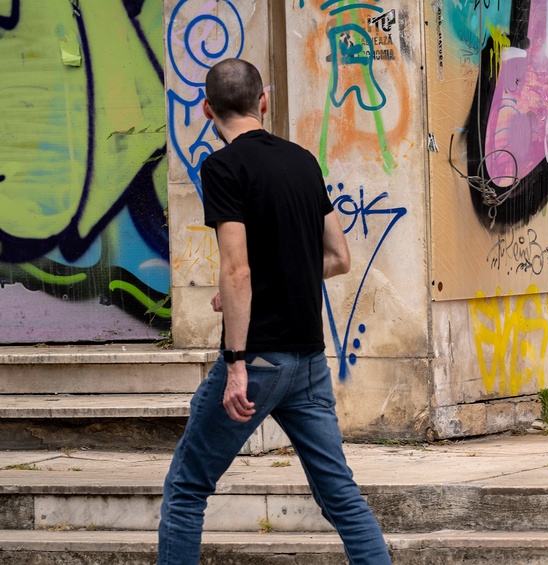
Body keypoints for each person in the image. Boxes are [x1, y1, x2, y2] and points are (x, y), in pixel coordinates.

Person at [158, 58, 391, 564]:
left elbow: (236, 269)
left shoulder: (221, 167)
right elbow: (339, 257)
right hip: (308, 361)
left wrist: (237, 363)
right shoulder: (303, 160)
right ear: (264, 101)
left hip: (260, 357)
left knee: (186, 488)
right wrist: (260, 287)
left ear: (206, 110)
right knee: (340, 496)